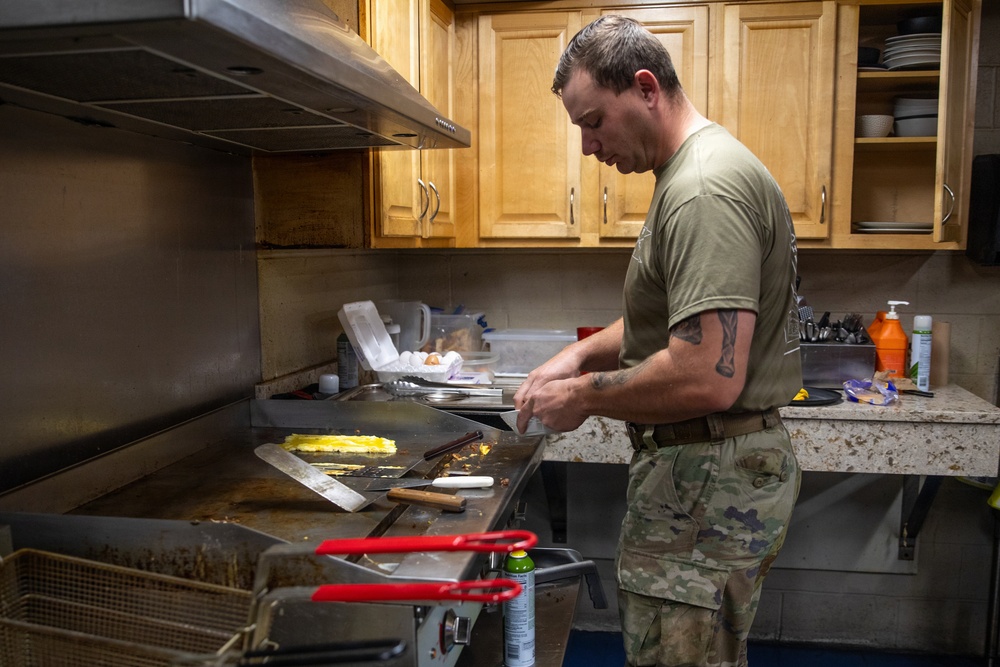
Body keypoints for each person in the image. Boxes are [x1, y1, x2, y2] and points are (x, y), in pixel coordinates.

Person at [512, 15, 802, 667]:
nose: (588, 147)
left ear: (646, 88)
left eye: (593, 121)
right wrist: (580, 353)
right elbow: (679, 321)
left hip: (704, 479)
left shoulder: (703, 190)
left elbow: (707, 373)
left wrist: (585, 394)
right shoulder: (694, 173)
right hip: (704, 475)